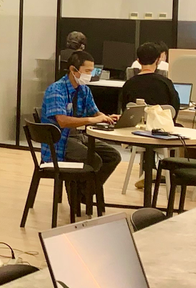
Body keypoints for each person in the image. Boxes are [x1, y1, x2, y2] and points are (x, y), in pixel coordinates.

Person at [41, 50, 121, 194]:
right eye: (87, 71)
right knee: (93, 160)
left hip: (79, 136)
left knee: (113, 156)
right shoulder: (56, 90)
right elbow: (62, 121)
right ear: (73, 70)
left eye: (92, 71)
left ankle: (85, 193)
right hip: (59, 140)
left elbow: (95, 112)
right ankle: (79, 195)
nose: (90, 75)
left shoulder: (84, 90)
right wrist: (91, 120)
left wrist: (107, 117)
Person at [119, 42, 180, 112]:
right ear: (158, 60)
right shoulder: (166, 84)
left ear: (138, 61)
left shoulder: (128, 85)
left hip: (137, 119)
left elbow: (124, 110)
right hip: (161, 119)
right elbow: (174, 109)